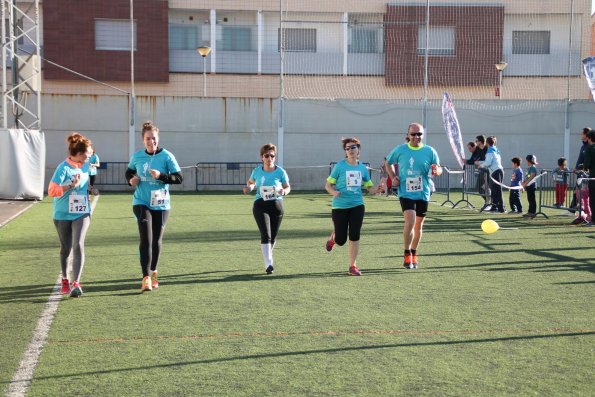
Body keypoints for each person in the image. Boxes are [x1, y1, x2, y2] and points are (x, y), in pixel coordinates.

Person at [125, 121, 183, 292]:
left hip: (161, 204)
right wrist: (131, 180)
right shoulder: (137, 157)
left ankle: (154, 271)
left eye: (154, 138)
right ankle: (145, 278)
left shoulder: (167, 156)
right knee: (146, 238)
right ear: (143, 140)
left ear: (158, 138)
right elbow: (129, 172)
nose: (152, 141)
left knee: (156, 240)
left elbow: (179, 178)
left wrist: (162, 176)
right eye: (148, 139)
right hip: (142, 202)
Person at [386, 123, 442, 269]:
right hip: (406, 192)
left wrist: (437, 170)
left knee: (418, 225)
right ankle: (406, 254)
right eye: (413, 134)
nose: (416, 137)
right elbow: (388, 162)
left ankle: (414, 253)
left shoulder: (430, 151)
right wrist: (393, 177)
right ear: (408, 135)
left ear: (423, 135)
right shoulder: (401, 149)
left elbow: (438, 168)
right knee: (410, 221)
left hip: (423, 192)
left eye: (419, 134)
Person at [47, 132, 96, 298]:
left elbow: (85, 182)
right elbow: (51, 191)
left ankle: (76, 283)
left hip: (81, 212)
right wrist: (69, 185)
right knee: (66, 248)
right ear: (80, 154)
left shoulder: (85, 166)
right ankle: (65, 279)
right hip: (62, 214)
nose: (91, 155)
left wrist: (90, 189)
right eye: (89, 152)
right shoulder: (63, 168)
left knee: (78, 244)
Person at [325, 137, 377, 276]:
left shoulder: (362, 168)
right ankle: (333, 238)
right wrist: (333, 192)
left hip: (357, 205)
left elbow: (369, 187)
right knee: (341, 240)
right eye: (347, 148)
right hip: (340, 206)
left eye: (353, 147)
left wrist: (377, 190)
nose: (350, 150)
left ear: (358, 149)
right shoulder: (340, 166)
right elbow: (328, 185)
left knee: (355, 235)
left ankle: (352, 266)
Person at [243, 143, 290, 274]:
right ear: (262, 157)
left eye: (272, 156)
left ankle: (268, 255)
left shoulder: (280, 171)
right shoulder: (257, 171)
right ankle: (269, 264)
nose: (270, 158)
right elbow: (251, 183)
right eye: (267, 156)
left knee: (273, 237)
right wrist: (249, 188)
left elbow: (288, 187)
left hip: (276, 206)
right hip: (260, 204)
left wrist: (284, 191)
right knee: (266, 235)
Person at [476, 136, 505, 213]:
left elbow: (488, 163)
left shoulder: (489, 151)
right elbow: (489, 161)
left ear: (487, 143)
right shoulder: (495, 149)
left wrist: (480, 165)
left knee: (497, 190)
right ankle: (494, 206)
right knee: (494, 190)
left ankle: (501, 207)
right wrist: (480, 163)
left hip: (496, 171)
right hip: (496, 171)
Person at [569, 127, 591, 211]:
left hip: (587, 174)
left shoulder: (590, 147)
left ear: (586, 135)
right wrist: (576, 169)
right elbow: (580, 159)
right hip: (580, 173)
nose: (581, 135)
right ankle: (573, 208)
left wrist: (585, 168)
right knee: (577, 190)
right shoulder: (583, 147)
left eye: (582, 133)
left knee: (585, 192)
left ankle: (585, 209)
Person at [582, 130, 595, 226]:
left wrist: (584, 167)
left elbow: (586, 165)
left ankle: (593, 220)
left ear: (590, 138)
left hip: (593, 178)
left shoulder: (590, 149)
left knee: (593, 200)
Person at [522, 154, 539, 219]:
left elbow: (532, 176)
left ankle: (532, 212)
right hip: (528, 186)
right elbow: (527, 176)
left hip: (531, 186)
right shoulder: (529, 168)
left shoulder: (533, 168)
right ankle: (530, 211)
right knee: (529, 199)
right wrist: (524, 181)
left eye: (526, 161)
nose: (526, 162)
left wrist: (526, 183)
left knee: (531, 199)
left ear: (529, 161)